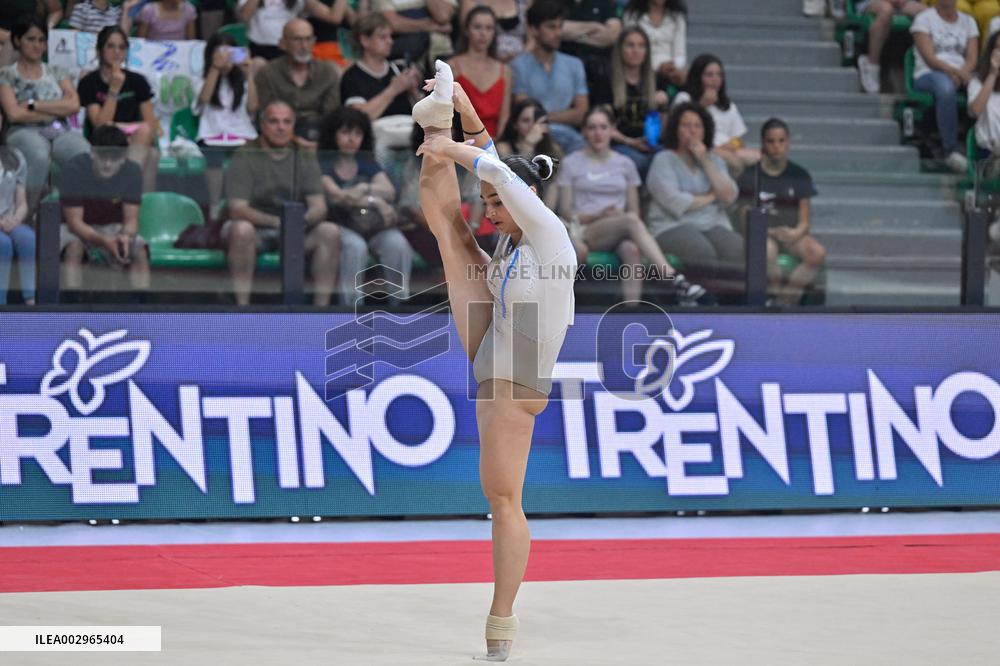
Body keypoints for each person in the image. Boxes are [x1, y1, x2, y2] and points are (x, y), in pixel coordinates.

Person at [412, 59, 576, 662]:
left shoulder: (550, 234)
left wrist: (447, 146)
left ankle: (502, 616)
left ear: (524, 198)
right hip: (502, 332)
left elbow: (494, 170)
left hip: (519, 368)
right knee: (450, 233)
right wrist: (459, 112)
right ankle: (435, 113)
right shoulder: (513, 233)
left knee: (503, 501)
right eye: (489, 204)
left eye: (497, 205)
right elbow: (491, 163)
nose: (491, 213)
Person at [557, 105, 704, 304]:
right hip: (583, 229)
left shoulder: (626, 164)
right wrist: (599, 215)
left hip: (619, 227)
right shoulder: (571, 163)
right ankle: (673, 278)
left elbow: (634, 211)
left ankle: (630, 311)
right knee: (630, 222)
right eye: (592, 128)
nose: (598, 133)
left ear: (612, 130)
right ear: (584, 131)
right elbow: (566, 211)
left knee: (631, 249)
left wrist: (618, 218)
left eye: (603, 127)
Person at [223, 100, 346, 306]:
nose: (281, 127)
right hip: (256, 229)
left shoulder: (303, 155)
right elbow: (237, 209)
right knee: (241, 230)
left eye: (286, 122)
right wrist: (278, 222)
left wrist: (298, 222)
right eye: (274, 121)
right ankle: (242, 308)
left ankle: (320, 312)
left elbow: (319, 207)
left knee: (330, 232)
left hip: (297, 230)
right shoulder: (245, 154)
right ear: (262, 125)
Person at [647, 102, 743, 299]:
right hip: (672, 225)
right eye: (686, 125)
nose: (692, 131)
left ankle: (728, 304)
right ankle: (699, 302)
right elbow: (675, 201)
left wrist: (705, 160)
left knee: (737, 248)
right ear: (676, 130)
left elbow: (729, 195)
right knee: (702, 252)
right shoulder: (663, 160)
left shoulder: (714, 161)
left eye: (697, 126)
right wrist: (711, 196)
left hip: (711, 224)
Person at [318, 106, 415, 302]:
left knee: (397, 244)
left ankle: (400, 305)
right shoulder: (324, 163)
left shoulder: (367, 162)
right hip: (341, 225)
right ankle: (351, 307)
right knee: (356, 246)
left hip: (373, 225)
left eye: (357, 133)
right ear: (332, 134)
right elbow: (338, 196)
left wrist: (366, 192)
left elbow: (388, 192)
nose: (352, 139)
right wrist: (374, 199)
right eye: (345, 132)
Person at [0, 17, 90, 213]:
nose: (37, 45)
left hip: (56, 128)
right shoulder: (6, 75)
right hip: (22, 130)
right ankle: (26, 212)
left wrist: (33, 105)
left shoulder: (57, 71)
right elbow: (14, 114)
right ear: (17, 41)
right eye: (31, 39)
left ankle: (72, 213)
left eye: (41, 40)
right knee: (39, 153)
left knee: (82, 150)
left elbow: (73, 105)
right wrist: (56, 110)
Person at [737, 118, 827, 306]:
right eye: (771, 141)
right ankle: (773, 298)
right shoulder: (750, 175)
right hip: (762, 234)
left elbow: (805, 221)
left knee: (817, 252)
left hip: (791, 235)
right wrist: (769, 232)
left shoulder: (800, 174)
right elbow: (744, 218)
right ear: (763, 143)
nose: (776, 146)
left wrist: (795, 233)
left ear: (788, 142)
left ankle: (783, 301)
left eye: (781, 141)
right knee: (767, 250)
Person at [58, 124, 150, 293]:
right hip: (75, 228)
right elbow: (74, 223)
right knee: (74, 247)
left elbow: (131, 220)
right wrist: (104, 241)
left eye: (114, 159)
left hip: (111, 226)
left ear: (124, 157)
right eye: (103, 157)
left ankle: (141, 302)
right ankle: (71, 301)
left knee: (139, 248)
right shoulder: (74, 169)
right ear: (93, 153)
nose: (107, 164)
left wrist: (126, 236)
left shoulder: (133, 171)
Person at [77, 26, 159, 192]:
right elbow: (100, 125)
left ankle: (131, 195)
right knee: (146, 146)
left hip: (133, 140)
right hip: (103, 141)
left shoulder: (138, 81)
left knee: (149, 144)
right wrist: (114, 89)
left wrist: (123, 132)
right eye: (111, 46)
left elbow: (150, 124)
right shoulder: (89, 82)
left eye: (121, 47)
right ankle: (127, 191)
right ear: (99, 50)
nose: (116, 52)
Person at [195, 30, 260, 218]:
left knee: (250, 156)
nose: (225, 59)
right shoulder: (201, 80)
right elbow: (204, 99)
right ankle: (214, 205)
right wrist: (215, 69)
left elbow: (253, 107)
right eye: (220, 53)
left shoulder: (243, 82)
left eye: (229, 53)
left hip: (242, 134)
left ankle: (244, 203)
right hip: (213, 134)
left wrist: (249, 75)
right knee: (213, 158)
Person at [510, 0, 588, 155]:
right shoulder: (517, 66)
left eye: (560, 26)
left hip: (571, 140)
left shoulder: (574, 64)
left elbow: (581, 113)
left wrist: (544, 116)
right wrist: (564, 115)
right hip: (532, 138)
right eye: (551, 27)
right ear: (534, 29)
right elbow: (525, 113)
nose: (558, 33)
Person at [912, 0, 979, 172]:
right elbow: (929, 58)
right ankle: (951, 151)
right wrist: (954, 72)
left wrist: (962, 73)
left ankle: (985, 149)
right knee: (946, 88)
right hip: (929, 73)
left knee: (985, 87)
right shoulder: (923, 19)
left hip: (961, 73)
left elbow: (972, 58)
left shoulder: (969, 21)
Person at [255, 19, 341, 146]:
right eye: (297, 40)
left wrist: (319, 143)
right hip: (279, 134)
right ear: (283, 43)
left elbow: (331, 117)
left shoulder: (327, 72)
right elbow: (266, 116)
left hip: (317, 135)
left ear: (314, 42)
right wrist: (294, 140)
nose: (304, 46)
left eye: (308, 39)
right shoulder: (268, 73)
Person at [673, 53, 759, 175]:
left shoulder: (728, 106)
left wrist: (732, 145)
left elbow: (738, 139)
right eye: (709, 75)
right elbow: (677, 128)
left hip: (727, 149)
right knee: (733, 162)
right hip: (700, 148)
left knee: (760, 158)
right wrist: (702, 104)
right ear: (698, 77)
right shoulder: (684, 98)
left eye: (719, 75)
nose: (715, 79)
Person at [341, 13, 423, 122]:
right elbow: (358, 119)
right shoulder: (352, 76)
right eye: (382, 37)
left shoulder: (400, 68)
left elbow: (423, 115)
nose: (390, 41)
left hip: (408, 128)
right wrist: (393, 89)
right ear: (365, 41)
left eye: (390, 36)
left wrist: (414, 90)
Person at [608, 25, 667, 177]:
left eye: (641, 46)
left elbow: (664, 129)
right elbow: (603, 125)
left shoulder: (658, 80)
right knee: (641, 163)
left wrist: (663, 107)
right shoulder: (607, 81)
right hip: (619, 143)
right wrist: (630, 142)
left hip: (651, 143)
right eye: (630, 45)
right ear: (620, 49)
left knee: (666, 159)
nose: (636, 51)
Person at [450, 6, 512, 138]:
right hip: (462, 140)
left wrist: (495, 142)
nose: (483, 33)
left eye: (489, 28)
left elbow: (505, 115)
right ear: (466, 30)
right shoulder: (452, 66)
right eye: (477, 27)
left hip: (496, 141)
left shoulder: (505, 71)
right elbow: (445, 111)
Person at [238, 0, 347, 65]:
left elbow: (334, 17)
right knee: (257, 64)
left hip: (290, 51)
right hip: (259, 50)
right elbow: (244, 16)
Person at [855, 0, 929, 94]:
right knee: (886, 10)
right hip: (873, 2)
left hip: (901, 3)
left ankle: (927, 67)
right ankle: (871, 63)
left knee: (927, 13)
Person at [557, 0, 621, 107]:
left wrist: (574, 35)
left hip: (600, 72)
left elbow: (612, 35)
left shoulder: (604, 3)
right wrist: (595, 27)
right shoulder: (555, 3)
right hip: (564, 70)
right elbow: (556, 29)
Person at [622, 0, 687, 88]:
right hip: (641, 70)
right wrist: (659, 67)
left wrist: (673, 68)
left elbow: (680, 53)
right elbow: (631, 50)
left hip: (671, 72)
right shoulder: (632, 15)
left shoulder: (677, 16)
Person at [0, 146, 34, 305]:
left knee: (28, 238)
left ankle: (31, 300)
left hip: (9, 220)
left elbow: (22, 202)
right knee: (3, 244)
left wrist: (17, 218)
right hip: (2, 224)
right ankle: (2, 304)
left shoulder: (15, 156)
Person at [372, 0, 455, 63]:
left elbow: (442, 16)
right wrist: (433, 26)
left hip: (440, 53)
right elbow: (394, 24)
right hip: (406, 58)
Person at [459, 0, 530, 62]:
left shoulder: (524, 3)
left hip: (521, 61)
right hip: (485, 58)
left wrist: (518, 59)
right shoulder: (470, 2)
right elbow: (467, 35)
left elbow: (532, 40)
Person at [67, 0, 137, 34]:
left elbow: (124, 37)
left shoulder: (115, 12)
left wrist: (126, 8)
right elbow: (74, 38)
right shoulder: (81, 9)